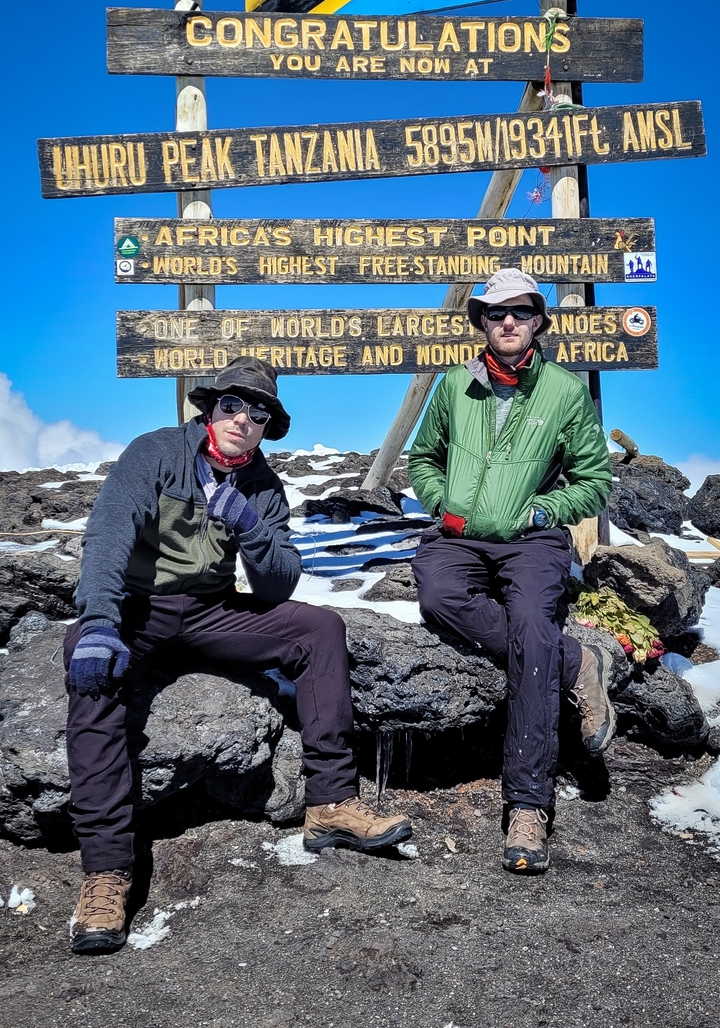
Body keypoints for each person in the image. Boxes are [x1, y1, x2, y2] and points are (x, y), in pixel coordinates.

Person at [64, 358, 410, 953]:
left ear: (268, 425)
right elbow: (109, 533)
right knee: (93, 677)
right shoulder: (156, 453)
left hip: (208, 611)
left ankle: (330, 804)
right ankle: (105, 873)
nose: (242, 420)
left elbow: (279, 585)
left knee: (319, 629)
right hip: (137, 610)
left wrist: (249, 525)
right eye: (232, 405)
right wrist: (98, 620)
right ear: (209, 408)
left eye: (259, 413)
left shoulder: (264, 486)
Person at [408, 270, 613, 875]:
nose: (507, 322)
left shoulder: (563, 392)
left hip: (532, 539)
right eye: (496, 313)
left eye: (520, 313)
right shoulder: (454, 387)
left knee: (529, 625)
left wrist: (544, 509)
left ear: (537, 323)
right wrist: (441, 502)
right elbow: (424, 457)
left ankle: (527, 804)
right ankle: (574, 661)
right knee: (439, 597)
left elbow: (594, 480)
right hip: (461, 534)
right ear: (480, 322)